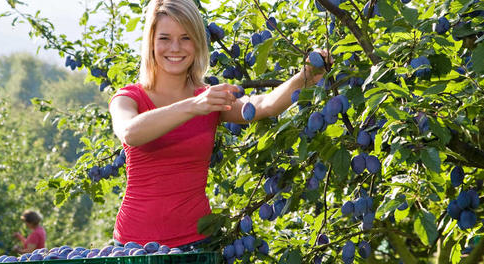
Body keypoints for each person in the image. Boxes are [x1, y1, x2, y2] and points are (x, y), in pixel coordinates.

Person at [108, 0, 328, 250]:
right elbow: (130, 133)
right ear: (151, 42)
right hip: (135, 245)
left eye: (186, 38)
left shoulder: (209, 99)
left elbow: (263, 105)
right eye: (165, 38)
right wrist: (193, 105)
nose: (176, 48)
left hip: (198, 242)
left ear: (198, 43)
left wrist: (304, 77)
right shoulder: (129, 98)